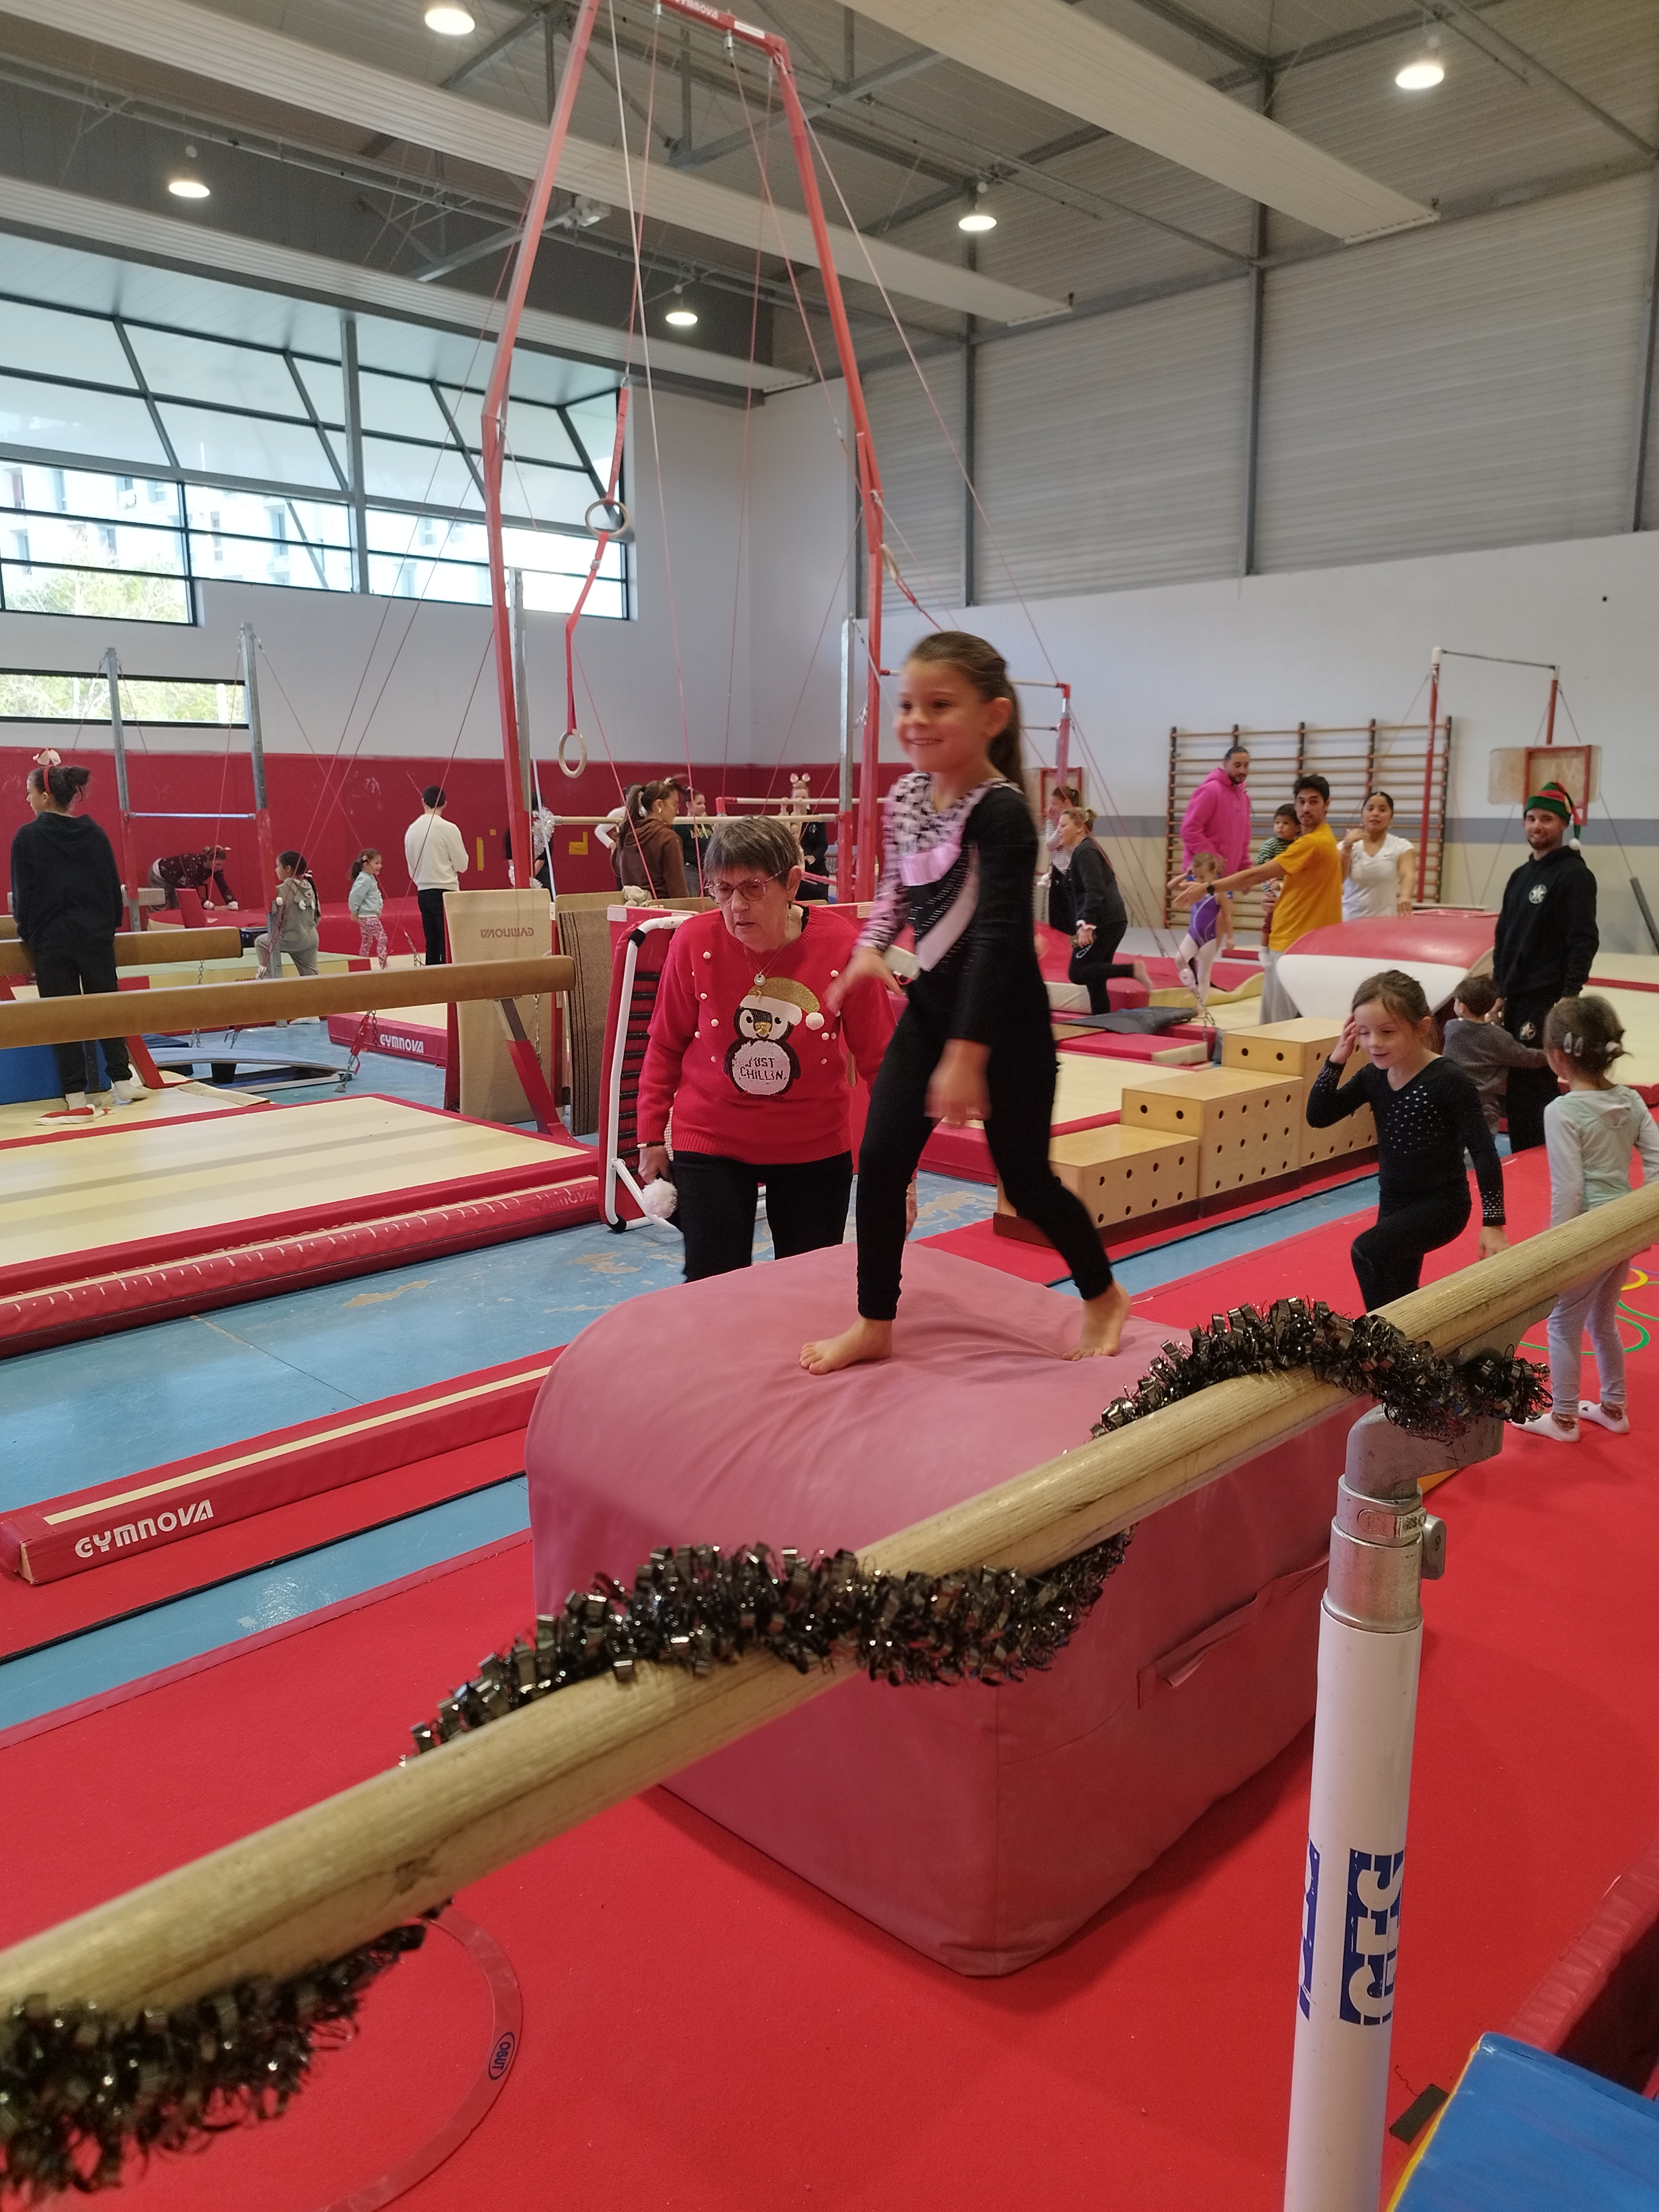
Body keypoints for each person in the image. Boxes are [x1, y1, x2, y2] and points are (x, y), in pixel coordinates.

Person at [800, 630, 1132, 1375]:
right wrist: (869, 946)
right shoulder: (907, 796)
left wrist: (965, 1056)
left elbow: (997, 941)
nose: (916, 719)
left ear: (993, 716)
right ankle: (874, 1320)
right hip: (933, 1010)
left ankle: (1104, 1293)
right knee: (880, 1160)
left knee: (1027, 1181)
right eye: (908, 704)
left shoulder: (1002, 813)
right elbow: (897, 888)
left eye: (939, 704)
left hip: (1007, 1026)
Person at [635, 815, 896, 1280]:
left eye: (753, 888)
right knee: (714, 1283)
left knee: (807, 1284)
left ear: (792, 882)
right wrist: (652, 1136)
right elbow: (665, 1044)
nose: (736, 906)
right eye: (723, 889)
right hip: (711, 1137)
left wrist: (901, 1167)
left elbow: (882, 1060)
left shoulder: (842, 945)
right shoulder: (693, 941)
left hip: (813, 1142)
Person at [1305, 968, 1508, 1311]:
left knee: (1367, 1251)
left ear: (1422, 1028)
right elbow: (1319, 1115)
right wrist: (1337, 1059)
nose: (1374, 1043)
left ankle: (1379, 1338)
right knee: (1398, 1291)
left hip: (1443, 1205)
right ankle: (1408, 1339)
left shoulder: (1448, 1079)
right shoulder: (1374, 1076)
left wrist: (1494, 1222)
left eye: (1387, 1032)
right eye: (1364, 1033)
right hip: (1394, 1202)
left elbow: (1484, 1151)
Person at [1519, 996, 1659, 1444]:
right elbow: (1657, 1165)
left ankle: (1564, 1419)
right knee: (1602, 1319)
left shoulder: (1562, 1111)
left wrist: (1555, 1248)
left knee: (1563, 1324)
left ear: (1556, 1057)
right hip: (1625, 1229)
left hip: (1588, 1234)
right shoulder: (1632, 1101)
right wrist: (1643, 1221)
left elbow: (1569, 1189)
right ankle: (1614, 1408)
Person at [10, 752, 148, 1123]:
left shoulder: (27, 837)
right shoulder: (95, 833)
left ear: (44, 796)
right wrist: (107, 927)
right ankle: (122, 1081)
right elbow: (112, 888)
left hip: (52, 941)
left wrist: (29, 934)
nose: (26, 799)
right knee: (107, 1006)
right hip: (95, 937)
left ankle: (75, 1094)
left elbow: (23, 896)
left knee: (62, 1016)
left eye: (29, 792)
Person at [1491, 782, 1599, 1154]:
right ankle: (1526, 1154)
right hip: (1516, 996)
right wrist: (1499, 991)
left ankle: (1541, 1155)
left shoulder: (1574, 876)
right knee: (1517, 1083)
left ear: (1563, 825)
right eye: (1532, 818)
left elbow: (1583, 940)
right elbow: (1504, 939)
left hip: (1547, 996)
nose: (1537, 825)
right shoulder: (1520, 876)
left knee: (1536, 1079)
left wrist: (1568, 995)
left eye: (1547, 819)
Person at [1208, 775, 1342, 1023]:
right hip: (1298, 938)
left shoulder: (1312, 843)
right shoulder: (1319, 839)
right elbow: (1303, 889)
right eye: (1301, 802)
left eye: (1314, 802)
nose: (1306, 808)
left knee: (1277, 1024)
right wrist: (1278, 899)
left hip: (1295, 942)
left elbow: (1257, 875)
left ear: (1327, 805)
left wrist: (1208, 888)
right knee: (1288, 1019)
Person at [1050, 805, 1149, 1011]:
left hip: (1103, 923)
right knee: (1095, 982)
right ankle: (1101, 1020)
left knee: (1077, 972)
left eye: (1063, 826)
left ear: (1080, 827)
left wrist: (1087, 925)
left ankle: (1132, 970)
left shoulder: (1086, 851)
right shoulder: (1081, 852)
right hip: (1109, 921)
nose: (1059, 831)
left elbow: (1095, 890)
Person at [1441, 972, 1547, 1133]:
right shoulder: (1497, 1036)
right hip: (1484, 1103)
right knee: (1482, 1141)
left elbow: (1477, 1034)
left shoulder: (1451, 1027)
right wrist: (1549, 1054)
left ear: (1462, 1007)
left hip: (1452, 1097)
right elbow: (1523, 1056)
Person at [405, 785, 468, 966]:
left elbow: (412, 869)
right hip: (446, 892)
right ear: (445, 804)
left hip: (423, 892)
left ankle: (431, 979)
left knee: (432, 944)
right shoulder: (449, 829)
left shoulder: (411, 830)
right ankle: (450, 979)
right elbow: (462, 866)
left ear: (423, 802)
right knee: (448, 945)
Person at [1169, 851, 1233, 1011]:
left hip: (1208, 939)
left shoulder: (1220, 892)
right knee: (1180, 959)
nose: (1199, 881)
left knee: (1204, 976)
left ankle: (1201, 1008)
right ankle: (1191, 986)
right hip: (1193, 935)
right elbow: (1171, 886)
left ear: (1213, 873)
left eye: (1203, 877)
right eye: (1197, 877)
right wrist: (1186, 875)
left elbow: (1227, 916)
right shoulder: (1194, 887)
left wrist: (1230, 938)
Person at [1339, 791, 1416, 920]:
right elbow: (1339, 878)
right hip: (1350, 921)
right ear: (1362, 814)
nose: (1375, 814)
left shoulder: (1402, 846)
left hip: (1385, 923)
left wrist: (1405, 896)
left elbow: (1408, 875)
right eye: (1370, 809)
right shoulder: (1346, 845)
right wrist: (1347, 846)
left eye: (1382, 810)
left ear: (1391, 817)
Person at [1180, 744, 1251, 875]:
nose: (1242, 770)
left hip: (1226, 877)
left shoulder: (1244, 798)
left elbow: (1244, 841)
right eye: (1237, 765)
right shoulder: (1211, 790)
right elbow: (1189, 830)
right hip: (1201, 874)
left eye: (1246, 765)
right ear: (1225, 764)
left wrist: (1246, 870)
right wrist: (1211, 855)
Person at [613, 780, 688, 900]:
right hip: (663, 908)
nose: (678, 811)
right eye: (675, 805)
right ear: (659, 805)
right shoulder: (669, 838)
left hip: (633, 907)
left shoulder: (627, 835)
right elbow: (678, 890)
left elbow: (618, 869)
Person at [255, 851, 320, 979]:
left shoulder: (281, 890)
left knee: (261, 942)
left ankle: (268, 979)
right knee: (311, 976)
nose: (276, 870)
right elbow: (318, 916)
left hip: (293, 938)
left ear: (288, 869)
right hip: (312, 938)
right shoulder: (310, 886)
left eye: (278, 866)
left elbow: (277, 920)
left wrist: (289, 931)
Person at [1255, 802, 1300, 950]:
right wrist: (1273, 880)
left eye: (1286, 823)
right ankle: (1264, 948)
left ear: (1298, 827)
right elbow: (1263, 864)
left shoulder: (1299, 844)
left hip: (1289, 888)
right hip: (1274, 887)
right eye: (1277, 823)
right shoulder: (1272, 844)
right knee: (1271, 920)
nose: (1280, 827)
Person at [148, 844, 236, 910]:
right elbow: (192, 893)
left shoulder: (216, 869)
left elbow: (223, 886)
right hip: (161, 876)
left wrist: (233, 904)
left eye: (222, 865)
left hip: (179, 881)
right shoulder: (193, 865)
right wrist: (213, 907)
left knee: (181, 911)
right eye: (217, 864)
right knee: (158, 908)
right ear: (209, 860)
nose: (220, 868)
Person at [348, 848, 389, 969]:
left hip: (368, 915)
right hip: (368, 916)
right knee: (382, 938)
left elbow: (377, 894)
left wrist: (380, 907)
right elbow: (355, 896)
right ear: (366, 865)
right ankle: (383, 965)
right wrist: (354, 912)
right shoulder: (364, 879)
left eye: (380, 863)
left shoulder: (370, 878)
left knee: (367, 940)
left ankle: (362, 965)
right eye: (376, 863)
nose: (380, 866)